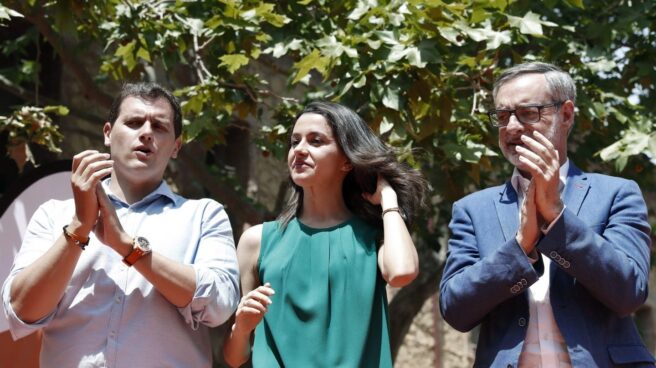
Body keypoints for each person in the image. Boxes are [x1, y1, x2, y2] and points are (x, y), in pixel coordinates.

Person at [1, 82, 240, 367]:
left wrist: (127, 246)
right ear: (108, 133)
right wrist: (78, 228)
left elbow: (220, 306)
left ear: (176, 147)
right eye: (134, 122)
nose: (147, 133)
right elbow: (21, 312)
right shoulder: (54, 214)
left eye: (159, 127)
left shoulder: (204, 215)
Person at [439, 62, 655, 367]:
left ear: (566, 114)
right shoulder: (473, 210)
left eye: (529, 112)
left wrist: (556, 217)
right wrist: (520, 249)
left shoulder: (617, 193)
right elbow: (456, 310)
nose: (512, 127)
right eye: (502, 116)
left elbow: (629, 292)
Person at [222, 101, 427, 367]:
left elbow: (402, 272)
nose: (299, 151)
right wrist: (242, 327)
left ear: (346, 161)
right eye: (295, 142)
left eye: (315, 141)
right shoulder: (257, 241)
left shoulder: (374, 237)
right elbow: (234, 358)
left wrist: (388, 197)